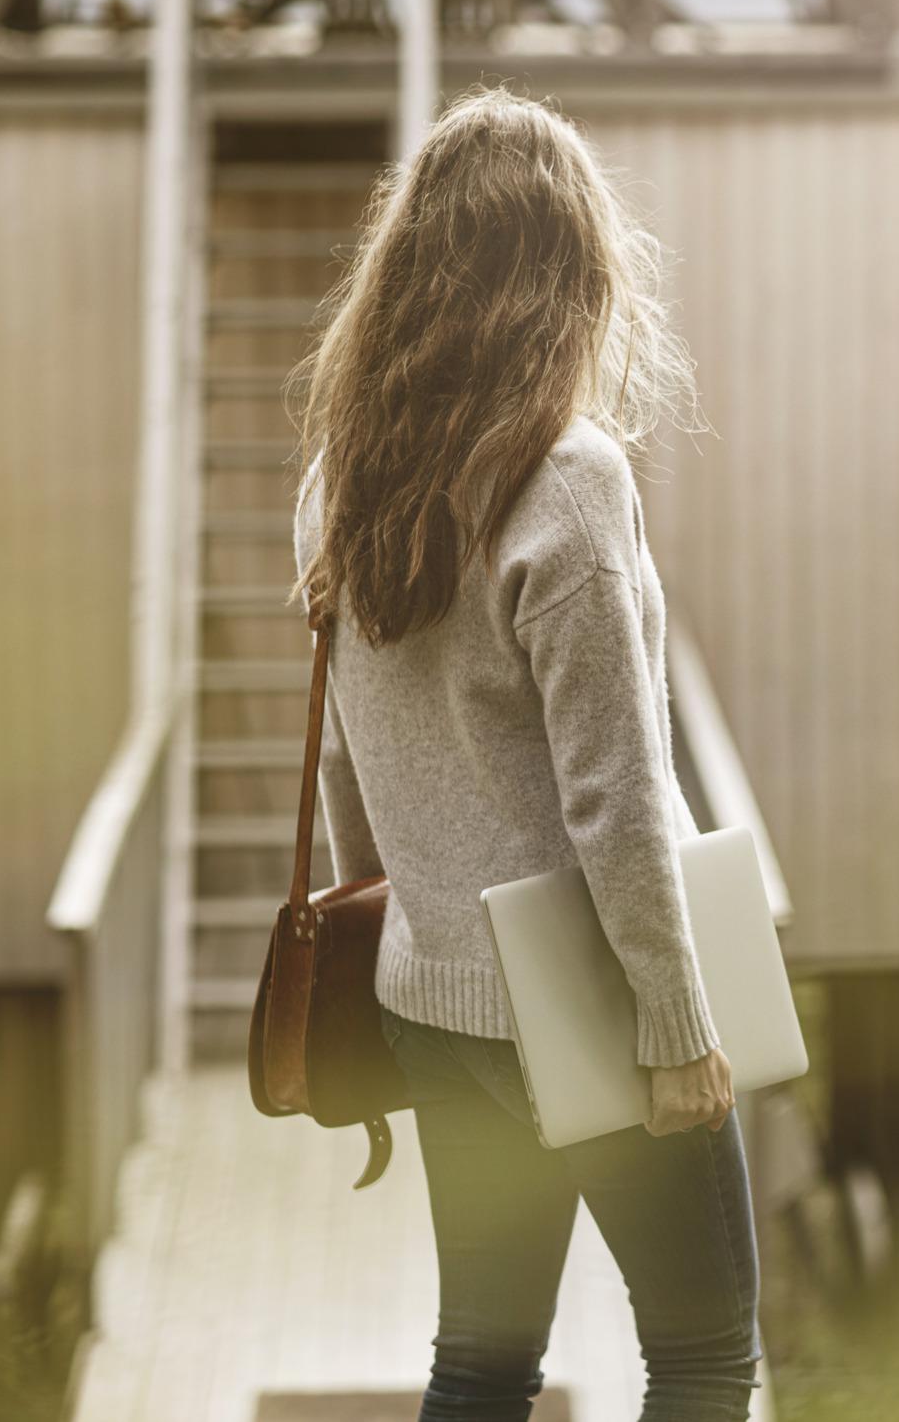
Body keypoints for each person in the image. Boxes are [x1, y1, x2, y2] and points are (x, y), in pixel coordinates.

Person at [287, 86, 757, 1422]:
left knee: (481, 1363)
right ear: (570, 273)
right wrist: (674, 1024)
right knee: (706, 1353)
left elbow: (342, 760)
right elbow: (613, 794)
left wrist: (398, 910)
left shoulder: (340, 474)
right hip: (589, 998)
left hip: (433, 1000)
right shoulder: (570, 480)